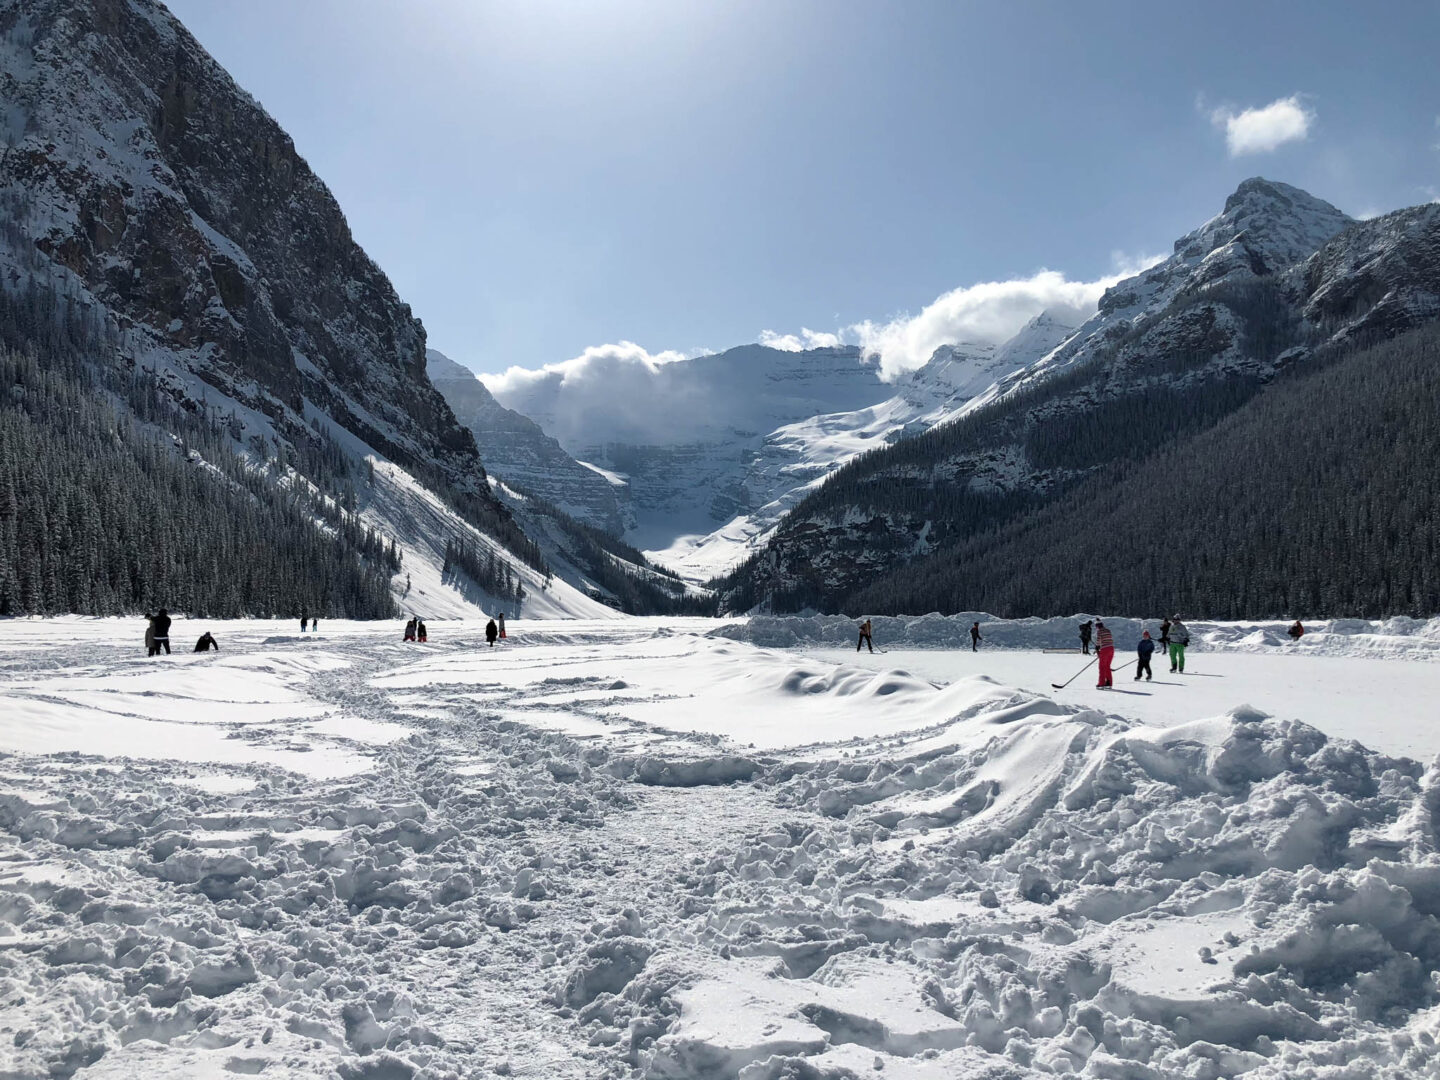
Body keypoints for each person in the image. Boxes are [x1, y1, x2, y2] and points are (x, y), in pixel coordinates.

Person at [1094, 619, 1115, 688]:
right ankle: (1109, 683)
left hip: (1105, 649)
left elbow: (1098, 640)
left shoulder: (1100, 631)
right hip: (1111, 649)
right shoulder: (1108, 630)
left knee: (1102, 667)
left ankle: (1101, 684)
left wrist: (1097, 647)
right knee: (1107, 666)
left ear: (1097, 626)